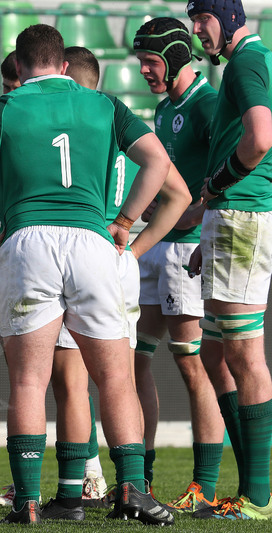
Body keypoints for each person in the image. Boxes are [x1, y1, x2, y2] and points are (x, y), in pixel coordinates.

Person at [0, 24, 188, 525]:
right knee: (115, 378)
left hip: (28, 241)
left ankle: (29, 500)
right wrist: (124, 221)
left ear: (20, 66)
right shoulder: (104, 104)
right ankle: (130, 491)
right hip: (91, 242)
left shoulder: (2, 108)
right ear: (61, 65)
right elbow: (158, 163)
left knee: (29, 383)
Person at [132, 16, 225, 513]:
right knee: (136, 358)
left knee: (193, 366)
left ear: (174, 56)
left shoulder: (208, 105)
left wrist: (196, 214)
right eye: (142, 63)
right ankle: (139, 478)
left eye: (151, 61)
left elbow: (229, 171)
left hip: (186, 250)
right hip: (159, 245)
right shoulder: (166, 106)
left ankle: (204, 486)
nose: (146, 70)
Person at [186, 0, 272, 520]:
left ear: (231, 17)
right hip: (229, 221)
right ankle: (248, 489)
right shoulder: (244, 61)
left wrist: (217, 187)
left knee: (243, 355)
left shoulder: (246, 61)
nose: (197, 29)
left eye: (204, 18)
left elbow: (260, 137)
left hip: (242, 216)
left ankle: (259, 498)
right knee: (216, 356)